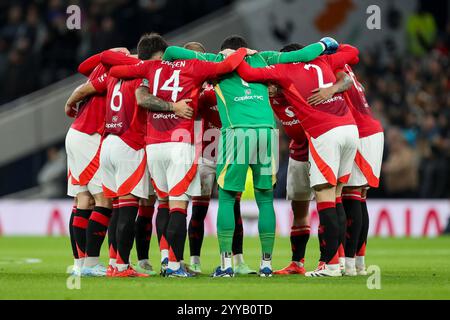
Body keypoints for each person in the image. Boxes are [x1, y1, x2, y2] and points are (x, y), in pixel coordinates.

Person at [162, 35, 332, 277]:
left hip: (237, 132)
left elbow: (172, 53)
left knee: (228, 197)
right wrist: (326, 44)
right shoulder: (264, 57)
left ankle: (227, 265)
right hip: (268, 132)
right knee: (265, 200)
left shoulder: (214, 61)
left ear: (223, 51)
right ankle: (266, 265)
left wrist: (228, 57)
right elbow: (302, 55)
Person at [108, 39, 247, 277]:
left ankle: (161, 260)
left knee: (161, 204)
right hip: (179, 145)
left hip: (153, 146)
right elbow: (228, 65)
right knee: (178, 207)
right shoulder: (195, 67)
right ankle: (174, 266)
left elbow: (115, 70)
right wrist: (243, 51)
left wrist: (129, 59)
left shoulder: (152, 68)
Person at [236, 41, 360, 277]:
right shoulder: (276, 90)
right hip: (302, 152)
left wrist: (241, 53)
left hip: (322, 141)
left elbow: (248, 71)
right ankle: (299, 262)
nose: (270, 87)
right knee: (303, 207)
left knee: (329, 199)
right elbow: (351, 53)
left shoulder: (286, 73)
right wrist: (328, 43)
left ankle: (331, 262)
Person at [308, 63, 384, 276]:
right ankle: (357, 263)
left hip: (359, 131)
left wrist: (329, 90)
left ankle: (346, 264)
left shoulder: (330, 69)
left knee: (346, 196)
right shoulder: (347, 68)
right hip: (371, 129)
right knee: (359, 197)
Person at [65, 47, 132, 277]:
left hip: (76, 134)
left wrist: (110, 52)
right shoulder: (113, 72)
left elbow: (83, 67)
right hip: (90, 136)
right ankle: (91, 264)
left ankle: (80, 264)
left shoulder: (98, 70)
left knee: (83, 199)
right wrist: (70, 100)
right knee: (104, 199)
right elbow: (88, 86)